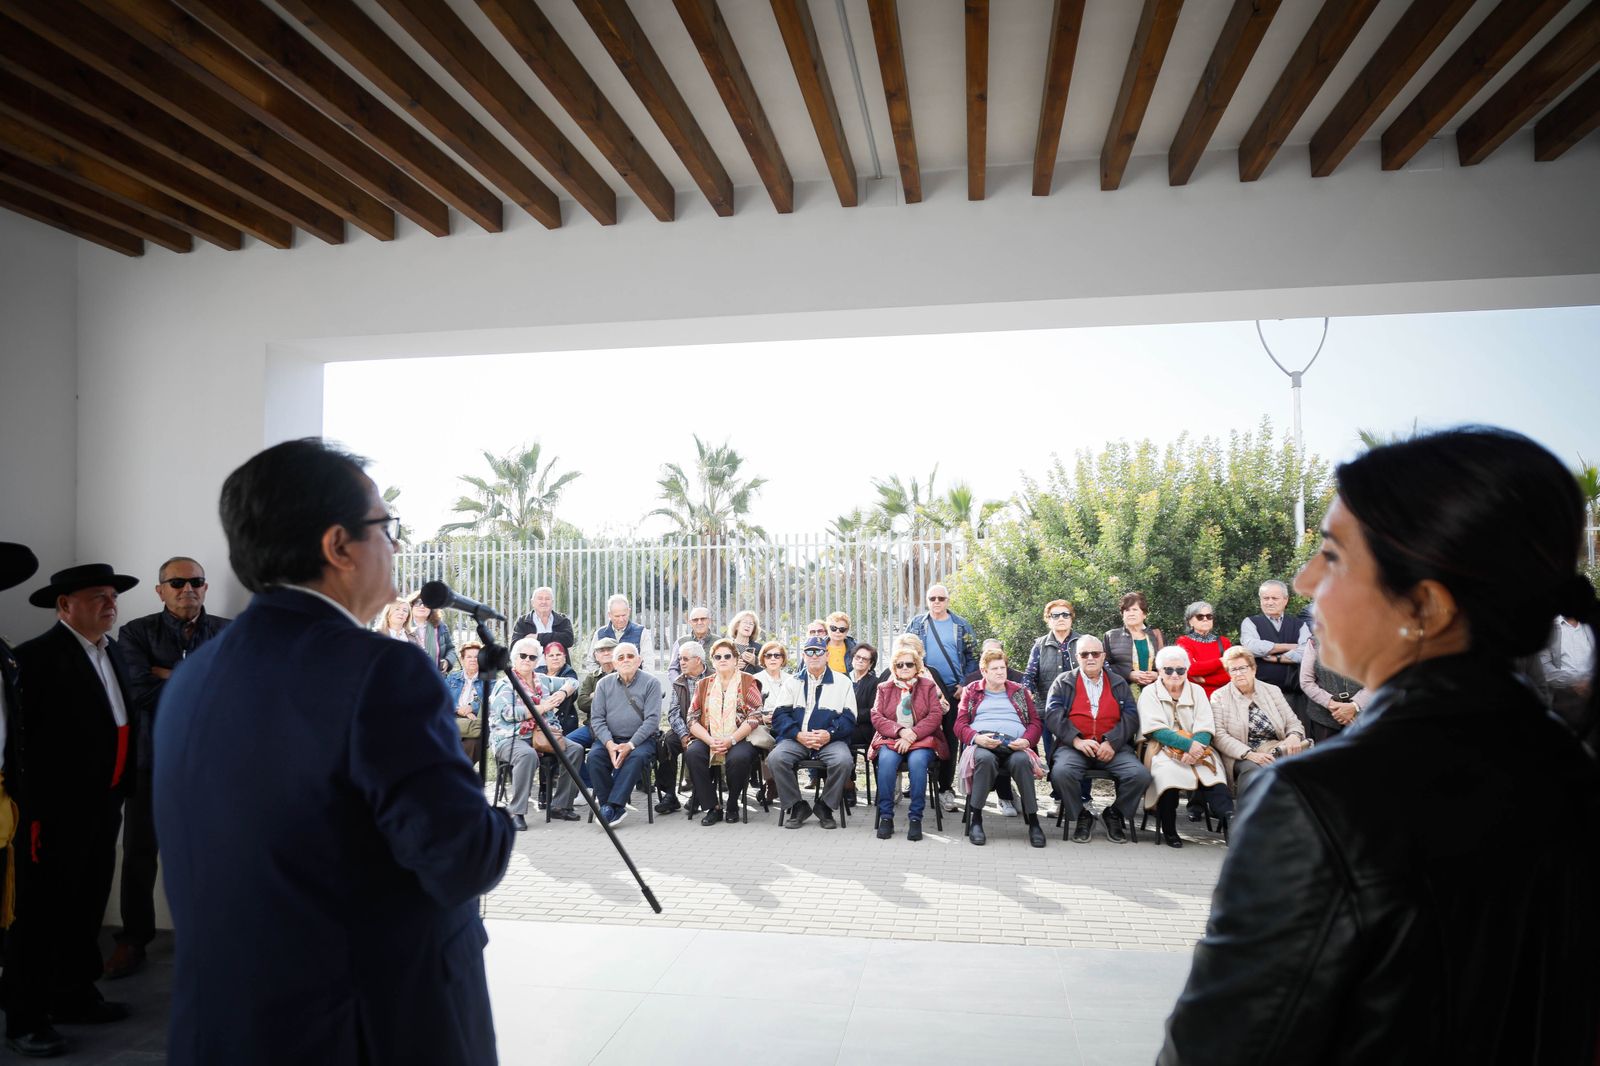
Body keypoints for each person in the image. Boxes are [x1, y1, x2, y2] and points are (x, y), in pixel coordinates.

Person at [1161, 427, 1600, 1063]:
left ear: (1424, 607)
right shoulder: (1571, 768)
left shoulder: (1318, 802)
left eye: (1333, 557)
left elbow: (1221, 1047)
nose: (1306, 581)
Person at [154, 438, 512, 1066]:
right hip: (367, 1032)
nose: (395, 546)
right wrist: (499, 818)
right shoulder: (382, 672)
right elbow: (462, 860)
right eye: (386, 526)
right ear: (339, 546)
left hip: (226, 1031)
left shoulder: (193, 676)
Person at [2, 563, 140, 1057]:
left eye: (113, 595)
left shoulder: (112, 651)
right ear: (65, 605)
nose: (111, 604)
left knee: (87, 903)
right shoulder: (35, 658)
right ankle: (25, 1016)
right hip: (54, 812)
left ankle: (75, 995)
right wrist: (35, 812)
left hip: (103, 804)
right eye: (98, 596)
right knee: (40, 914)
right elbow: (23, 743)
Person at [108, 556, 231, 980]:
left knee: (212, 854)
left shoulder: (230, 632)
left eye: (195, 581)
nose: (187, 589)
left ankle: (210, 936)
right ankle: (133, 939)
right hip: (151, 763)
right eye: (177, 583)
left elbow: (232, 692)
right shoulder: (135, 632)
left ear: (205, 587)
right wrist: (200, 679)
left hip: (210, 768)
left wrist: (170, 673)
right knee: (140, 855)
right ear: (160, 590)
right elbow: (139, 691)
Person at [1045, 635, 1149, 846]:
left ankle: (1114, 814)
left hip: (1113, 748)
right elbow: (1053, 715)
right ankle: (1082, 815)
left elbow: (1131, 716)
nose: (1090, 658)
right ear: (1077, 657)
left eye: (1095, 653)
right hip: (1074, 747)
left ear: (1103, 656)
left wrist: (1112, 742)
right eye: (1084, 654)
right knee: (1061, 773)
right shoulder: (1063, 681)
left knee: (1139, 775)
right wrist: (1076, 740)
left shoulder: (1119, 683)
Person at [1139, 645, 1233, 849]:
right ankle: (1169, 829)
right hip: (1163, 748)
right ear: (1159, 670)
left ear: (1187, 670)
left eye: (1180, 670)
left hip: (1199, 747)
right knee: (1167, 774)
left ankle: (1231, 822)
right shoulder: (1149, 692)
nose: (1175, 674)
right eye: (1168, 670)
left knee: (1213, 775)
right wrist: (1188, 746)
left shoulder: (1197, 691)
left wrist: (1196, 748)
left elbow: (1206, 724)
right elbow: (1155, 729)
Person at [955, 650, 1046, 847]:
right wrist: (976, 738)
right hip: (984, 744)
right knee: (985, 759)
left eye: (1002, 668)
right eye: (994, 668)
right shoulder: (972, 690)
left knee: (1021, 761)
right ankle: (976, 820)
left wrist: (1026, 741)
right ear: (984, 671)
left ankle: (1034, 822)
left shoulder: (1019, 691)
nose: (1000, 672)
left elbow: (1035, 723)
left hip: (1014, 745)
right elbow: (960, 725)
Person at [491, 636, 581, 825]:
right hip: (511, 737)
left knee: (575, 750)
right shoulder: (505, 684)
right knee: (527, 755)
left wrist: (562, 692)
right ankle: (517, 813)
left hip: (542, 734)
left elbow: (573, 682)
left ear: (537, 661)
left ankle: (560, 806)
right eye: (523, 655)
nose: (527, 660)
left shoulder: (542, 680)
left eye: (532, 657)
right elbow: (508, 713)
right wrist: (542, 707)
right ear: (514, 658)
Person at [905, 583, 978, 813]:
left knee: (949, 738)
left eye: (941, 598)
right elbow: (904, 651)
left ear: (948, 600)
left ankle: (945, 788)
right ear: (927, 600)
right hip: (920, 689)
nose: (936, 602)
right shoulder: (917, 623)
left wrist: (964, 684)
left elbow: (973, 656)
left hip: (952, 690)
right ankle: (915, 780)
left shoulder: (961, 625)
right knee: (917, 732)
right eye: (932, 598)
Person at [769, 636, 856, 829]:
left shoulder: (843, 682)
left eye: (819, 651)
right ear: (804, 656)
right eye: (810, 651)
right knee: (776, 758)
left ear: (827, 655)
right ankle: (797, 806)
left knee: (843, 761)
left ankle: (825, 806)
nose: (814, 655)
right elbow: (779, 716)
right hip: (797, 739)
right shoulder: (792, 682)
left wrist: (829, 734)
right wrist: (798, 734)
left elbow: (849, 719)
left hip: (831, 740)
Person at [1207, 646, 1306, 802]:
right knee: (1253, 771)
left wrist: (1294, 736)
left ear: (1253, 669)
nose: (1238, 673)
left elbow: (1293, 722)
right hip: (1241, 753)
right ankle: (1249, 816)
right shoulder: (1219, 696)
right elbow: (1219, 735)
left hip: (1276, 748)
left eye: (1242, 668)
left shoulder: (1272, 690)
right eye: (1233, 670)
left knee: (1305, 767)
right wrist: (1250, 754)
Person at [870, 643, 947, 840]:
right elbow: (877, 716)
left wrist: (912, 733)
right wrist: (901, 731)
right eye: (900, 664)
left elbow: (935, 715)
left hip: (922, 739)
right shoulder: (884, 688)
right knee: (886, 762)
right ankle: (886, 817)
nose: (904, 668)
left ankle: (915, 819)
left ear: (917, 666)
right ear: (894, 668)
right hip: (891, 739)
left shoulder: (928, 686)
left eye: (909, 664)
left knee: (917, 762)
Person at [684, 638, 763, 826]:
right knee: (693, 753)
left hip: (740, 737)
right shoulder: (703, 684)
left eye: (727, 656)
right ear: (712, 661)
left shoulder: (748, 681)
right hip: (709, 737)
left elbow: (755, 716)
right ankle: (713, 807)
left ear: (736, 659)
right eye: (718, 657)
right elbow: (692, 718)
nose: (723, 660)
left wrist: (731, 740)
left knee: (739, 758)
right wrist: (710, 740)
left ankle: (733, 803)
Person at [586, 642, 661, 827]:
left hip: (641, 740)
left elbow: (652, 720)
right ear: (614, 663)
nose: (626, 660)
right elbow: (597, 719)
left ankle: (611, 807)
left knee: (636, 757)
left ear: (639, 660)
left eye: (630, 656)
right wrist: (609, 744)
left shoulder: (651, 683)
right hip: (611, 739)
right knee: (594, 757)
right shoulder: (603, 684)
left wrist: (630, 745)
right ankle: (611, 806)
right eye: (620, 657)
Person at [1023, 599, 1080, 758]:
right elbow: (1030, 675)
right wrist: (1027, 690)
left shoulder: (1083, 642)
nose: (1061, 618)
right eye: (1055, 615)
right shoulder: (1039, 645)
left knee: (1080, 754)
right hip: (1049, 710)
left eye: (1065, 614)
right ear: (1048, 619)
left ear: (1071, 618)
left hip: (1080, 708)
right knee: (1052, 757)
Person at [1239, 579, 1307, 706]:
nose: (1270, 602)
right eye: (1266, 598)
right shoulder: (1251, 622)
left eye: (1275, 598)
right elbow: (1251, 647)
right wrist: (1288, 646)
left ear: (1285, 600)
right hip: (1261, 695)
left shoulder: (1299, 625)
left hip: (1295, 695)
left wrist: (1277, 659)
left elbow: (1307, 652)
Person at [659, 640, 707, 814]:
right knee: (666, 742)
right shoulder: (679, 682)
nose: (681, 663)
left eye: (685, 659)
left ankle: (698, 794)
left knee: (698, 750)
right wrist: (683, 734)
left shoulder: (714, 678)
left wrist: (698, 734)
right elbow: (673, 712)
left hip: (708, 731)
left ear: (698, 660)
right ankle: (670, 795)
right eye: (680, 659)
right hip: (684, 729)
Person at [1298, 624, 1367, 742]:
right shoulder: (1315, 642)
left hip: (1363, 717)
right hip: (1323, 718)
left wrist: (1355, 706)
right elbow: (1306, 681)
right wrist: (1332, 705)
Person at [751, 639, 799, 806]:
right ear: (762, 659)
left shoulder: (792, 679)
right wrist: (761, 717)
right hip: (762, 723)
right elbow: (749, 706)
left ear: (783, 659)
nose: (773, 658)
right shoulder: (754, 679)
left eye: (777, 655)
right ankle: (771, 781)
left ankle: (777, 782)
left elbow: (797, 705)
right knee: (762, 740)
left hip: (785, 722)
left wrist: (782, 717)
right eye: (768, 655)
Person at [1542, 612, 1595, 735]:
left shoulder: (1590, 625)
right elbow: (1544, 668)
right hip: (1565, 698)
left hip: (1593, 696)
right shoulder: (1550, 626)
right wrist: (1576, 681)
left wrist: (1592, 683)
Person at [1104, 591, 1163, 692]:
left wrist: (1157, 674)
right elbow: (1104, 665)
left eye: (1135, 609)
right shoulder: (1111, 636)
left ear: (1144, 614)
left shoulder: (1156, 635)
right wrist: (1128, 674)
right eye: (1127, 610)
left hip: (1155, 691)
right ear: (1122, 614)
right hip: (1122, 691)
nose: (1131, 613)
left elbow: (1168, 663)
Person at [1174, 601, 1231, 699]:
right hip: (1197, 698)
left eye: (1209, 616)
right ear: (1190, 622)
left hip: (1224, 697)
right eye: (1200, 617)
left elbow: (1231, 673)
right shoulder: (1183, 641)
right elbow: (1191, 669)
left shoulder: (1224, 642)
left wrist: (1205, 680)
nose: (1205, 619)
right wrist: (1221, 661)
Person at [444, 641, 486, 764]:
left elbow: (489, 700)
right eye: (469, 657)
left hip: (475, 721)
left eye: (476, 657)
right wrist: (460, 710)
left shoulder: (488, 680)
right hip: (453, 718)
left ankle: (458, 772)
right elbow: (442, 699)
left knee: (473, 743)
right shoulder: (452, 678)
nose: (473, 660)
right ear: (462, 660)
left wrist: (472, 707)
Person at [509, 585, 576, 652]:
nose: (544, 602)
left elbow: (568, 639)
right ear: (532, 603)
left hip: (557, 659)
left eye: (547, 599)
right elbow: (515, 646)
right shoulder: (523, 621)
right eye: (540, 599)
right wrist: (554, 638)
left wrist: (538, 637)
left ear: (552, 602)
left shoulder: (562, 620)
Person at [594, 593, 650, 668]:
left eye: (624, 615)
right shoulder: (600, 634)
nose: (621, 619)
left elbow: (648, 662)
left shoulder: (641, 632)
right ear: (609, 615)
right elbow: (591, 661)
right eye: (617, 616)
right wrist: (599, 675)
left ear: (629, 611)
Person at [409, 595, 456, 674]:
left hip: (435, 676)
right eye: (418, 602)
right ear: (411, 606)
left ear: (432, 609)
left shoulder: (440, 626)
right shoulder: (403, 626)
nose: (422, 606)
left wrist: (448, 661)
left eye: (426, 603)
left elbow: (451, 649)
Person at [668, 607, 715, 683]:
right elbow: (673, 669)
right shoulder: (681, 642)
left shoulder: (719, 642)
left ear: (709, 621)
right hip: (686, 687)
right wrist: (678, 684)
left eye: (703, 619)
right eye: (695, 620)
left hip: (712, 687)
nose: (699, 622)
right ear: (690, 622)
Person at [824, 610, 857, 674]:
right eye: (833, 628)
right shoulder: (818, 646)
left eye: (842, 629)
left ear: (847, 631)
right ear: (827, 628)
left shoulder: (855, 648)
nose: (837, 631)